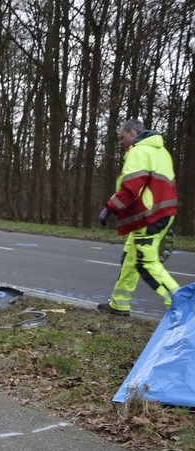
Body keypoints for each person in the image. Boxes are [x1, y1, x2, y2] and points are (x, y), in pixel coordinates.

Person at [97, 119, 180, 316]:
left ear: (132, 133)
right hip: (163, 212)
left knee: (146, 262)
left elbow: (131, 188)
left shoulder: (139, 151)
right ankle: (119, 304)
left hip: (148, 215)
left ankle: (184, 308)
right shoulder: (161, 152)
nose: (120, 141)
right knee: (130, 259)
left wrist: (109, 208)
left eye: (122, 137)